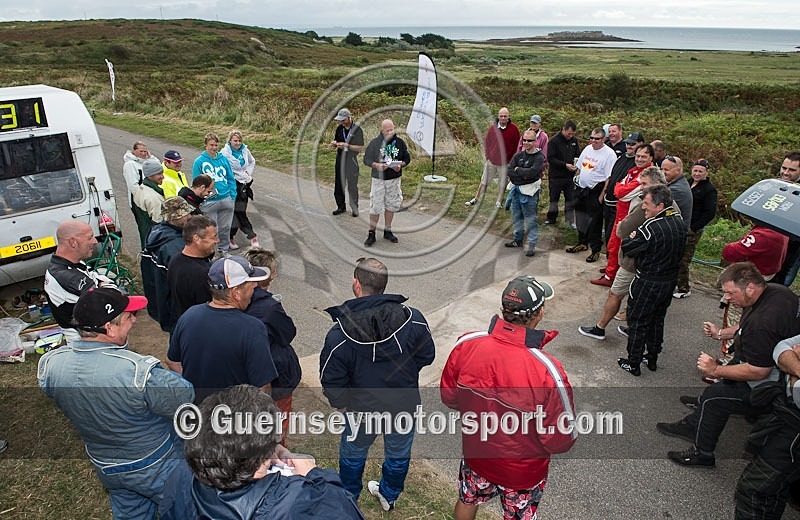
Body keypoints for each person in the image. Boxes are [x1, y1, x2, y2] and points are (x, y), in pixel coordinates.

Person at [38, 287, 194, 519]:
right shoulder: (137, 372)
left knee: (132, 512)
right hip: (156, 463)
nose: (133, 319)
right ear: (109, 329)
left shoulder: (50, 365)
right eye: (128, 316)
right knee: (184, 510)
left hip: (106, 465)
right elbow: (183, 397)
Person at [440, 275, 576, 520]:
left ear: (504, 309)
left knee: (467, 499)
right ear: (539, 313)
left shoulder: (467, 344)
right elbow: (560, 440)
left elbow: (449, 396)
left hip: (476, 454)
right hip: (522, 471)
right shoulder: (548, 371)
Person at [319, 257, 435, 511]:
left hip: (360, 409)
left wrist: (341, 406)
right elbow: (426, 356)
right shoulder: (414, 319)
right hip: (402, 404)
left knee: (353, 453)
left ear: (356, 284)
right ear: (383, 285)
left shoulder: (338, 334)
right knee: (398, 454)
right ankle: (389, 495)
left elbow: (331, 379)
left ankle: (349, 498)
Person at [657, 262, 800, 466]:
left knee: (714, 398)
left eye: (730, 293)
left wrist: (715, 369)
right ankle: (695, 422)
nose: (727, 298)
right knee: (717, 389)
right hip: (762, 359)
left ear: (750, 287)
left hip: (772, 384)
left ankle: (702, 453)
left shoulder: (763, 323)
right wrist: (721, 334)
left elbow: (759, 371)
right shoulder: (777, 292)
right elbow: (745, 326)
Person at [184, 385, 365, 519]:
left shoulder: (183, 476)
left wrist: (267, 448)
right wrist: (316, 474)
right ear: (258, 461)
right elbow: (348, 513)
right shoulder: (295, 501)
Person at [578, 167, 678, 340]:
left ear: (657, 183)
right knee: (640, 299)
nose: (641, 187)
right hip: (655, 263)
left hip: (634, 261)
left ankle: (599, 328)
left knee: (616, 293)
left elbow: (622, 230)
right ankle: (635, 329)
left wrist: (624, 225)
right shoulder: (672, 205)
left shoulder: (647, 204)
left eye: (644, 184)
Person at [167, 255, 277, 404]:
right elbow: (262, 386)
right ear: (236, 293)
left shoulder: (189, 316)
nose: (255, 286)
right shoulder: (252, 328)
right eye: (250, 284)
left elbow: (172, 361)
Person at [616, 185, 687, 376]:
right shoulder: (678, 220)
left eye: (646, 204)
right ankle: (652, 358)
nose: (643, 207)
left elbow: (629, 248)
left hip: (648, 281)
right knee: (657, 320)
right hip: (668, 281)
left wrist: (632, 237)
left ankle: (633, 362)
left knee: (638, 321)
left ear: (660, 205)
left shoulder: (650, 227)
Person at [734, 333, 800, 519]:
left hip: (794, 430)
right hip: (785, 416)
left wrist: (792, 371)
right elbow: (782, 347)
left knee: (754, 490)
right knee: (774, 489)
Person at [243, 247, 302, 446]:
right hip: (276, 377)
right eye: (273, 271)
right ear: (266, 276)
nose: (275, 274)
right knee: (276, 427)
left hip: (244, 376)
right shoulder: (269, 308)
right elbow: (288, 333)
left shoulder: (238, 299)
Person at [593, 143, 654, 287]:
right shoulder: (634, 170)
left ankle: (611, 276)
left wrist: (621, 188)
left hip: (630, 214)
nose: (639, 159)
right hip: (621, 211)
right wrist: (621, 188)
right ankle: (611, 269)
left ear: (651, 157)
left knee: (618, 245)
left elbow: (621, 193)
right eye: (638, 156)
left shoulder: (647, 174)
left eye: (643, 156)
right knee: (613, 244)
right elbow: (618, 188)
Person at [44, 220, 114, 342]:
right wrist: (104, 285)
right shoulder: (66, 277)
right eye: (89, 237)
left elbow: (97, 278)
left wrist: (102, 283)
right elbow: (109, 298)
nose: (95, 241)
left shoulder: (70, 263)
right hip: (90, 343)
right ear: (73, 242)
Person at [140, 197, 194, 331]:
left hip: (160, 301)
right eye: (185, 214)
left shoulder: (156, 232)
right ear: (173, 218)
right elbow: (183, 283)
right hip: (175, 307)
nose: (189, 216)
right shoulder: (174, 246)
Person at [565, 127, 618, 262]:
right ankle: (582, 242)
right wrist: (576, 182)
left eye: (597, 139)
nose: (594, 141)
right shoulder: (588, 149)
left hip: (596, 190)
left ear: (604, 139)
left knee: (595, 222)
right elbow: (580, 168)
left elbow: (609, 178)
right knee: (581, 217)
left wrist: (602, 196)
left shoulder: (609, 154)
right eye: (592, 138)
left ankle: (595, 249)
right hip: (581, 188)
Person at [362, 119, 411, 246]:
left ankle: (387, 230)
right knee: (375, 206)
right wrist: (376, 165)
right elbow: (366, 159)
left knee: (391, 205)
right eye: (387, 130)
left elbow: (407, 158)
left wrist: (401, 165)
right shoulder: (375, 143)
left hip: (394, 179)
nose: (390, 132)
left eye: (392, 129)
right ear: (382, 131)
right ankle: (371, 233)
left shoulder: (399, 142)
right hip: (379, 180)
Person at [674, 158, 718, 298]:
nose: (697, 173)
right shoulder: (686, 182)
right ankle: (673, 283)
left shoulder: (709, 190)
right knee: (674, 255)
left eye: (700, 171)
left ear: (706, 172)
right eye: (695, 170)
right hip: (679, 223)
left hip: (693, 228)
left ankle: (684, 288)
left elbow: (709, 213)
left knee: (683, 259)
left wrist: (694, 227)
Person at [466, 107, 520, 207]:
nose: (503, 118)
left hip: (505, 162)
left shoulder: (514, 129)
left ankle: (498, 201)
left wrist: (510, 160)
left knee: (502, 183)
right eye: (501, 116)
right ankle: (476, 198)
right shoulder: (493, 128)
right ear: (498, 117)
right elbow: (487, 142)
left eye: (505, 116)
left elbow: (516, 146)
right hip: (491, 161)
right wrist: (488, 156)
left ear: (508, 117)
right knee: (484, 181)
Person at [504, 129, 545, 257]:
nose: (526, 143)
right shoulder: (518, 155)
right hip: (516, 191)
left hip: (530, 193)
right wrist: (521, 174)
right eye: (524, 140)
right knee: (516, 217)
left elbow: (532, 173)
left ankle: (532, 245)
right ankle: (518, 240)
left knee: (530, 219)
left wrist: (519, 171)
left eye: (530, 140)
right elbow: (510, 171)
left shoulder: (539, 157)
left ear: (535, 141)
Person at [192, 132, 236, 253]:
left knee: (225, 228)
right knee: (211, 229)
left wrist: (233, 196)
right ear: (205, 145)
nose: (214, 148)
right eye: (211, 145)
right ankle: (212, 252)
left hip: (226, 198)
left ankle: (224, 251)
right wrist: (200, 200)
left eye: (216, 145)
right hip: (209, 201)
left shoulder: (224, 159)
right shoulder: (199, 161)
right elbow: (196, 183)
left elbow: (231, 178)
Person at [167, 215, 218, 318]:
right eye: (214, 237)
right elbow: (208, 311)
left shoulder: (175, 260)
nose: (217, 240)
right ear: (197, 239)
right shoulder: (200, 274)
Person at [602, 132, 644, 250]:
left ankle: (613, 266)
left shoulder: (638, 164)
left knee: (616, 236)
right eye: (627, 143)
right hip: (609, 200)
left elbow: (628, 187)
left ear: (641, 144)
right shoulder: (621, 157)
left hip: (621, 206)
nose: (629, 146)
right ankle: (609, 263)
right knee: (609, 235)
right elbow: (612, 176)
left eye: (632, 144)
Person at [220, 130, 259, 250]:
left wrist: (248, 173)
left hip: (244, 185)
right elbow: (222, 169)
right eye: (235, 140)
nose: (237, 143)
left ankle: (230, 237)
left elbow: (252, 162)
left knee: (238, 212)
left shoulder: (244, 150)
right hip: (232, 185)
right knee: (237, 212)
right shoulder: (224, 153)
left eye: (239, 141)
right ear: (230, 140)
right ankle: (252, 236)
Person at [771, 151, 800, 286]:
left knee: (781, 281)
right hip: (771, 241)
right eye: (784, 168)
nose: (786, 173)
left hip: (792, 246)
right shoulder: (775, 185)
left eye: (792, 170)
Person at [722, 223, 789, 280]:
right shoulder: (780, 229)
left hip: (757, 274)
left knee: (725, 278)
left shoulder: (763, 235)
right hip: (769, 271)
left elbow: (730, 253)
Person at [331, 108, 365, 217]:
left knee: (352, 185)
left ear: (348, 117)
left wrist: (347, 146)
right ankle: (341, 206)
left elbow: (360, 148)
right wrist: (334, 144)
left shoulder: (357, 130)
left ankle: (355, 208)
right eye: (339, 120)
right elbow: (336, 140)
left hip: (351, 159)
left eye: (342, 120)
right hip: (340, 158)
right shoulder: (339, 129)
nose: (340, 122)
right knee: (339, 183)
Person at [545, 119, 580, 226]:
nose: (570, 136)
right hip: (556, 175)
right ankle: (551, 218)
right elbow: (550, 158)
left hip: (569, 176)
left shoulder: (574, 141)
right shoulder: (553, 141)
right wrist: (565, 165)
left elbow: (577, 154)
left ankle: (570, 220)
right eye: (569, 134)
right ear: (564, 130)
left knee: (570, 199)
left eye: (572, 134)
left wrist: (576, 164)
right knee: (554, 198)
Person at [132, 158, 166, 250]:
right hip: (155, 241)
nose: (163, 176)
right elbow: (159, 223)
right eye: (159, 174)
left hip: (146, 236)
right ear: (150, 175)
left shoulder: (140, 189)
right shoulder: (153, 198)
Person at [122, 141, 158, 211]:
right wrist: (143, 199)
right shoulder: (130, 164)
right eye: (141, 151)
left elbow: (158, 167)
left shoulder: (145, 162)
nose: (143, 154)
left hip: (150, 199)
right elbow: (133, 186)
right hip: (138, 202)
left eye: (145, 151)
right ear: (134, 150)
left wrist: (151, 157)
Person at [660, 155, 693, 228]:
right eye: (661, 169)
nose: (662, 172)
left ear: (678, 170)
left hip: (676, 231)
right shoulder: (678, 183)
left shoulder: (676, 190)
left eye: (666, 170)